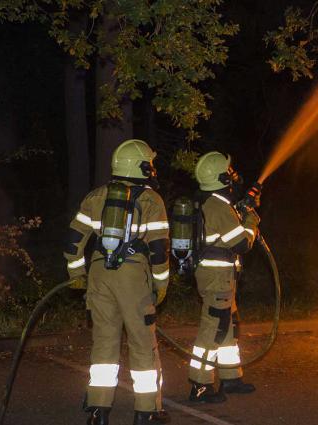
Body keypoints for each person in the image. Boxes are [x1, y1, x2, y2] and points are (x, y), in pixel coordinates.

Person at [64, 139, 171, 424]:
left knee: (104, 343)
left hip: (99, 274)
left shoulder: (95, 196)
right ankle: (146, 411)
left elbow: (73, 241)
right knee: (142, 343)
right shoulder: (151, 200)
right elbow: (160, 250)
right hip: (133, 277)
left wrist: (77, 275)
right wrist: (161, 284)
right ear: (144, 167)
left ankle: (98, 410)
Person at [187, 151, 260, 403]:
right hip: (217, 278)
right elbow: (241, 243)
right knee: (214, 328)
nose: (233, 174)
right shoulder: (218, 206)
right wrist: (251, 218)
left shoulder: (213, 202)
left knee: (227, 325)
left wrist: (241, 210)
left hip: (218, 277)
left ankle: (230, 377)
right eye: (229, 171)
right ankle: (200, 384)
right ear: (221, 177)